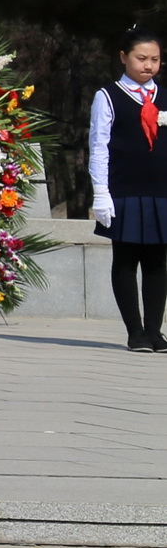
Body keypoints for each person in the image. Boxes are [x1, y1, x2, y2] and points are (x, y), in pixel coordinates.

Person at [90, 27, 166, 352]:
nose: (148, 65)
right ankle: (135, 332)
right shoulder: (108, 96)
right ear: (124, 57)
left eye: (155, 60)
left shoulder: (164, 96)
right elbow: (99, 146)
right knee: (125, 259)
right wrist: (100, 192)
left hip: (161, 190)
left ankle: (155, 331)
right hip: (123, 190)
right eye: (141, 58)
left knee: (157, 262)